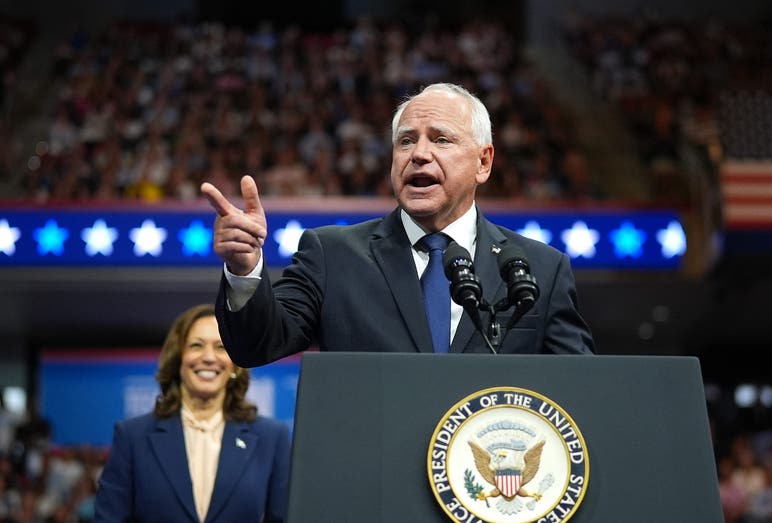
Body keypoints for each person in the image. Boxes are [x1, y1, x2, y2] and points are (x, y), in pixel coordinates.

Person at [201, 82, 595, 366]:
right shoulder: (333, 255)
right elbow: (257, 346)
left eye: (440, 140)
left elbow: (585, 393)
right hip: (374, 474)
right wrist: (244, 269)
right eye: (406, 141)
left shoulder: (539, 269)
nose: (419, 154)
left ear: (483, 162)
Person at [94, 304, 290, 523]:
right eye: (196, 345)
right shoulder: (132, 436)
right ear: (178, 359)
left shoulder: (272, 437)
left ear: (236, 365)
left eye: (221, 347)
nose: (208, 357)